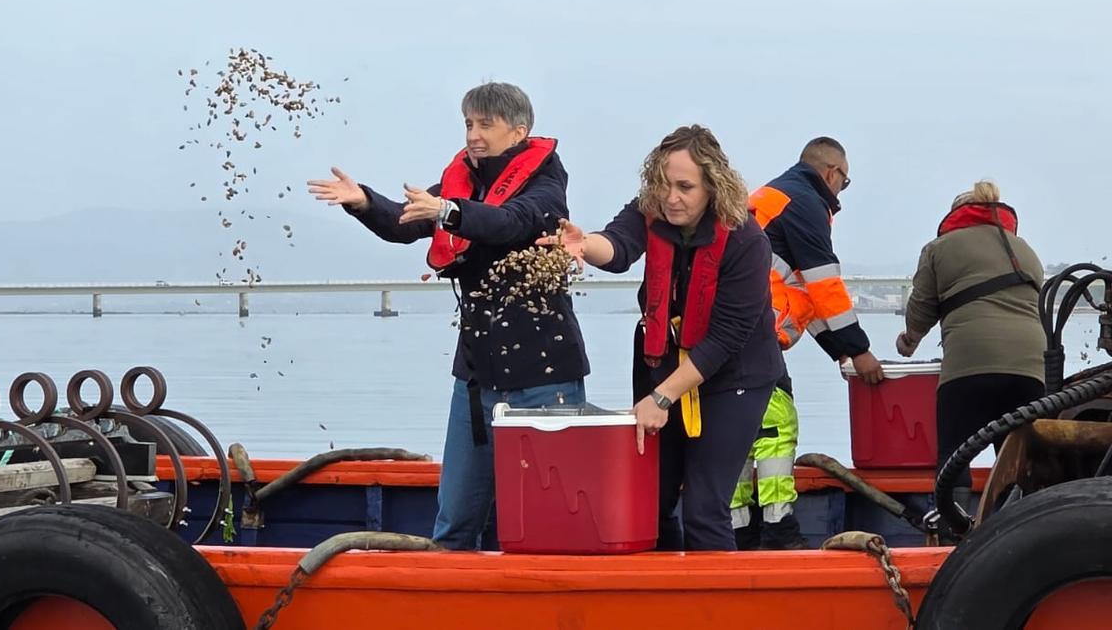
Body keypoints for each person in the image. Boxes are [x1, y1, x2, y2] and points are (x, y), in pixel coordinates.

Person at [308, 82, 590, 550]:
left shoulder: (546, 185)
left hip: (544, 378)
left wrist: (449, 212)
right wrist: (364, 202)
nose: (473, 135)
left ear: (519, 131)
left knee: (549, 522)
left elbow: (510, 222)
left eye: (485, 125)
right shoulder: (462, 183)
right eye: (468, 124)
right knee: (454, 521)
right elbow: (405, 222)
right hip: (476, 377)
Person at [540, 124, 783, 551]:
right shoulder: (651, 209)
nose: (671, 198)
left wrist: (661, 398)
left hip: (734, 377)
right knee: (651, 500)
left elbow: (725, 339)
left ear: (712, 186)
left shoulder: (747, 240)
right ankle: (661, 587)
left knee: (704, 508)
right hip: (664, 362)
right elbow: (618, 246)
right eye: (664, 184)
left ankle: (717, 593)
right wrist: (584, 244)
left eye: (685, 187)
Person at [732, 137, 885, 550]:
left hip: (733, 331)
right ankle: (778, 531)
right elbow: (824, 284)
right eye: (844, 183)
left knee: (738, 432)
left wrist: (840, 350)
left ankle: (738, 533)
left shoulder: (776, 198)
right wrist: (860, 350)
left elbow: (804, 295)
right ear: (832, 173)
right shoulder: (805, 203)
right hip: (753, 332)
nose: (841, 193)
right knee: (777, 425)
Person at [896, 179, 1045, 509]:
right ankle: (1018, 521)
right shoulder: (1025, 250)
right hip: (1030, 367)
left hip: (971, 363)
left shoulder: (940, 248)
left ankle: (954, 528)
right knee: (1017, 456)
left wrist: (909, 340)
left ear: (957, 216)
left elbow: (922, 306)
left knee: (955, 452)